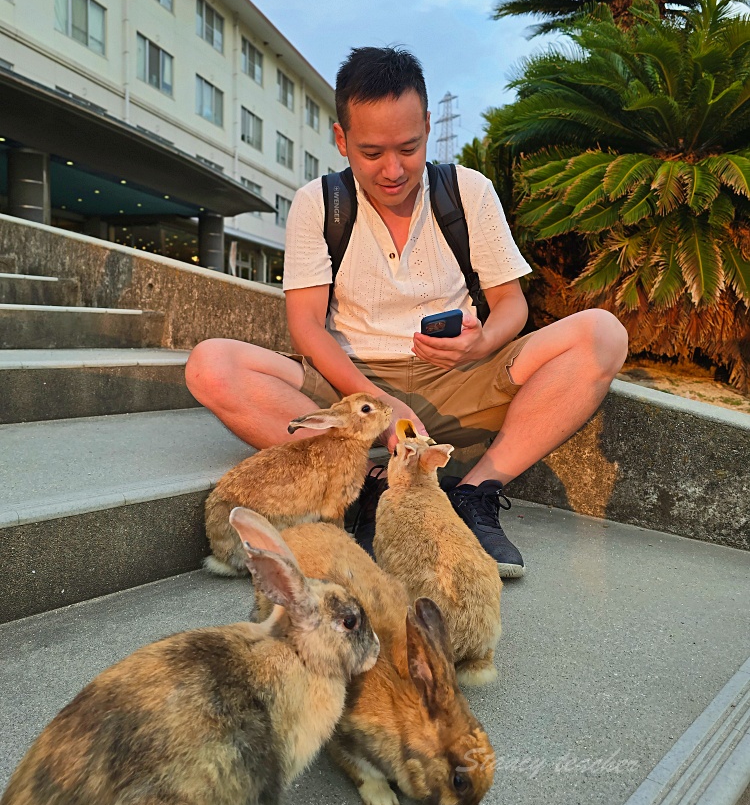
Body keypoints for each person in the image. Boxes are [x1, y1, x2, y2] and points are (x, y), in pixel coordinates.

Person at [186, 46, 628, 578]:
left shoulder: (467, 191)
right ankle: (370, 484)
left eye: (409, 148)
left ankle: (474, 491)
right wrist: (381, 403)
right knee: (210, 364)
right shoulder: (318, 204)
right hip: (352, 390)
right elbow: (306, 325)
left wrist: (483, 342)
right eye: (371, 153)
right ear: (341, 140)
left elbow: (511, 304)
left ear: (427, 126)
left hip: (460, 374)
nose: (393, 170)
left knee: (603, 333)